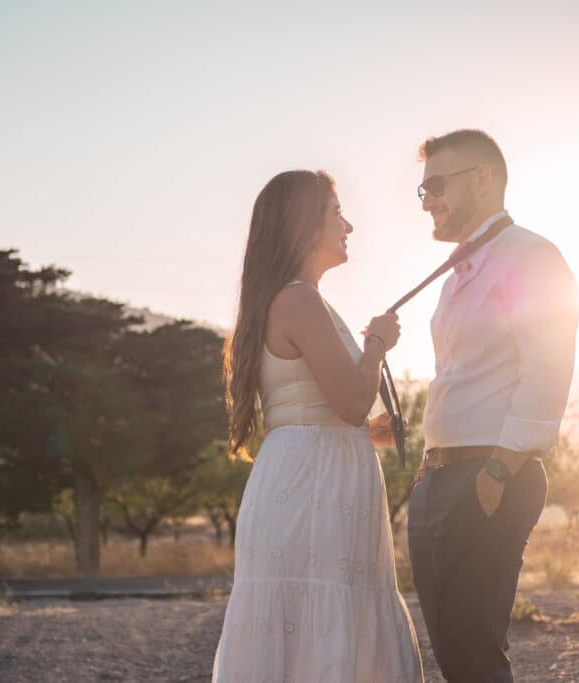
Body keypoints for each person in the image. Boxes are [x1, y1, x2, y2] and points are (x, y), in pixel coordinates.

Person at [212, 170, 423, 682]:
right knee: (327, 620)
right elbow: (352, 401)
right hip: (315, 488)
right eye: (336, 212)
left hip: (305, 476)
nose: (348, 224)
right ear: (303, 223)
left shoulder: (290, 300)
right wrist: (377, 342)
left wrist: (363, 432)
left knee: (312, 627)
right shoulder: (300, 300)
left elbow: (310, 409)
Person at [407, 130, 579, 682]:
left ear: (481, 178)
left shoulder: (531, 256)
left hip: (487, 475)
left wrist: (501, 467)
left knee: (476, 654)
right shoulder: (458, 272)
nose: (427, 200)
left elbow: (547, 369)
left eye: (435, 185)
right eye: (422, 189)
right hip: (439, 479)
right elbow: (463, 377)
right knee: (455, 656)